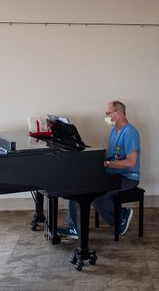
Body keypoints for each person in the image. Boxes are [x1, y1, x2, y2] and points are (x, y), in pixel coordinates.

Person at [57, 100, 140, 239]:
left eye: (108, 113)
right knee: (77, 186)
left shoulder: (129, 133)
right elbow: (108, 153)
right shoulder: (114, 131)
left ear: (118, 113)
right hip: (112, 173)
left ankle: (122, 215)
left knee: (96, 196)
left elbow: (131, 162)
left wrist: (107, 164)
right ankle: (73, 227)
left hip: (127, 177)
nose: (106, 116)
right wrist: (92, 157)